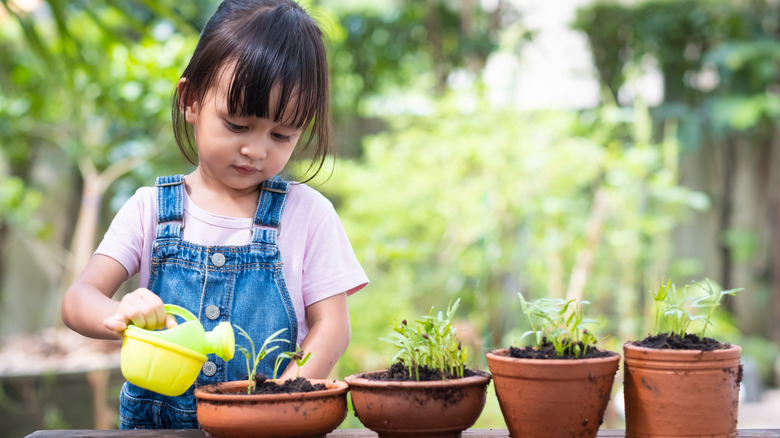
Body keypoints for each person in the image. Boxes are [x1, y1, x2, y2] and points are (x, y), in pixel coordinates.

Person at [61, 0, 368, 429]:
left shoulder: (308, 215)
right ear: (190, 100)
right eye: (238, 125)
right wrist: (121, 314)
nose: (256, 150)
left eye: (281, 135)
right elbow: (78, 300)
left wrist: (279, 402)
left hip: (272, 427)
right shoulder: (151, 210)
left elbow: (332, 329)